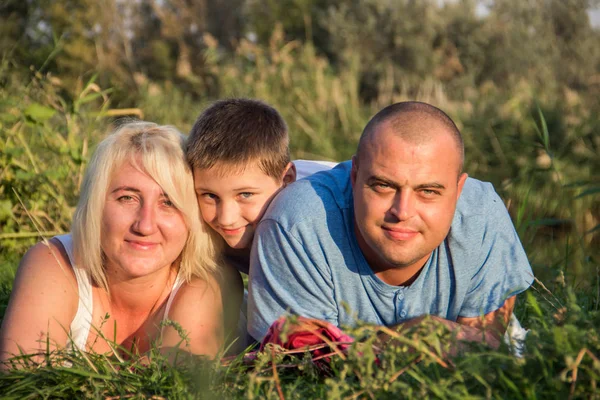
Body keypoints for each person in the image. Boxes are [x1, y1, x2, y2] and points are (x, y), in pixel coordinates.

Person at [247, 101, 534, 348]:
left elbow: (481, 357)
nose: (402, 211)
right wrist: (417, 337)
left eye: (428, 191)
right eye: (383, 186)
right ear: (355, 176)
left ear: (459, 191)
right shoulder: (297, 226)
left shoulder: (482, 216)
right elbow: (298, 370)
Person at [0, 121, 241, 366]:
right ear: (97, 205)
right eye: (127, 198)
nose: (145, 225)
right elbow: (21, 376)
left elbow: (176, 384)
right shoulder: (54, 263)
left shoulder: (210, 281)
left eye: (168, 203)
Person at [186, 98, 336, 275]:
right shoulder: (196, 224)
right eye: (210, 196)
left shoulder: (322, 220)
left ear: (287, 180)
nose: (226, 218)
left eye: (246, 194)